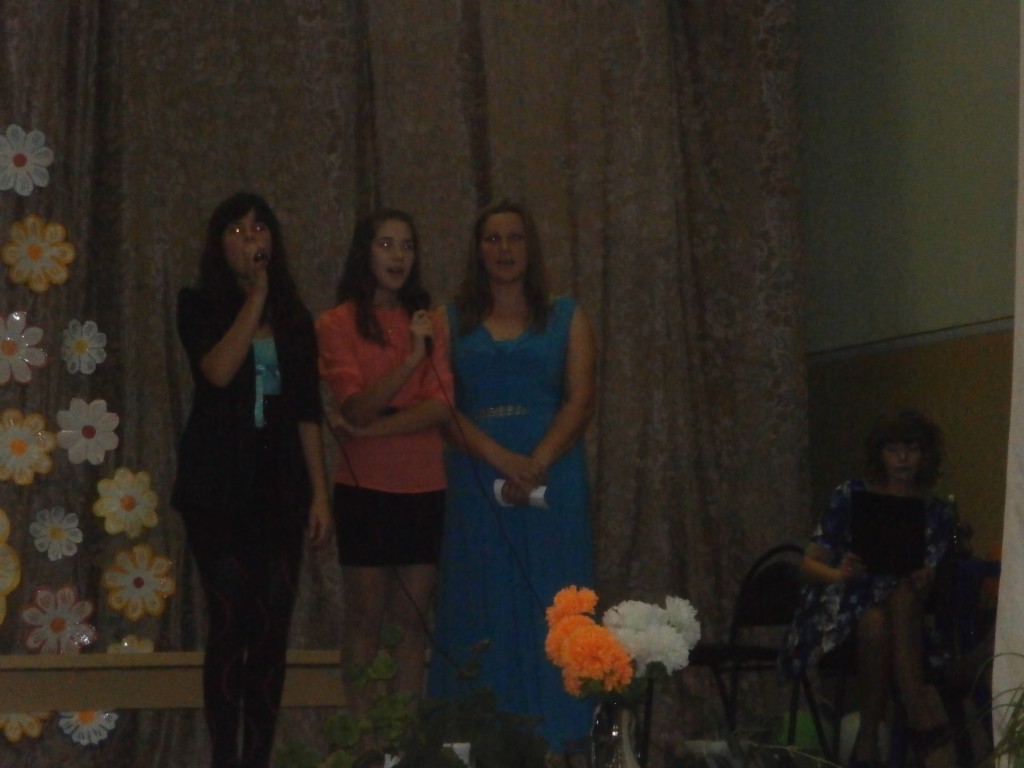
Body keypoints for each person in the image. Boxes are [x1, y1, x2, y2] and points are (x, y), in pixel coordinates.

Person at [427, 200, 597, 755]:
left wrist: (537, 461)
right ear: (478, 250)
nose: (504, 249)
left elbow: (580, 399)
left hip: (553, 483)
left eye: (515, 238)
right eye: (493, 238)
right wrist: (502, 459)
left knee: (553, 607)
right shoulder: (448, 320)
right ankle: (473, 745)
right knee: (480, 607)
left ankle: (561, 741)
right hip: (479, 482)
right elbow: (440, 407)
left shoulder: (567, 315)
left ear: (531, 248)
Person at [172, 191, 332, 768]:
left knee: (270, 629)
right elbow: (217, 371)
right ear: (219, 245)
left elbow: (305, 409)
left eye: (259, 228)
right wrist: (254, 299)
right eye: (237, 231)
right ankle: (224, 756)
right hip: (217, 490)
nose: (250, 239)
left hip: (279, 489)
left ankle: (258, 756)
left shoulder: (294, 318)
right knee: (230, 621)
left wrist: (319, 493)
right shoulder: (198, 304)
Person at [316, 209, 454, 728]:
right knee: (366, 618)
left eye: (407, 246)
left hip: (424, 483)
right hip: (364, 487)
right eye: (386, 245)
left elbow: (440, 407)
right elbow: (355, 407)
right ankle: (364, 738)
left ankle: (402, 738)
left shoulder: (431, 321)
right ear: (365, 252)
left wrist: (373, 430)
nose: (398, 257)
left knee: (412, 619)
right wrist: (411, 361)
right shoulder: (336, 323)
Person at [780, 410, 957, 768]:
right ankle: (917, 712)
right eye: (893, 450)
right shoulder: (851, 495)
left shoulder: (937, 511)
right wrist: (840, 573)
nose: (902, 459)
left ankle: (869, 739)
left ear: (925, 455)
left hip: (900, 614)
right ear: (880, 455)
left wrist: (926, 578)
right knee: (884, 609)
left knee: (888, 609)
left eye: (911, 449)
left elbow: (927, 587)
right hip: (840, 606)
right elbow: (807, 566)